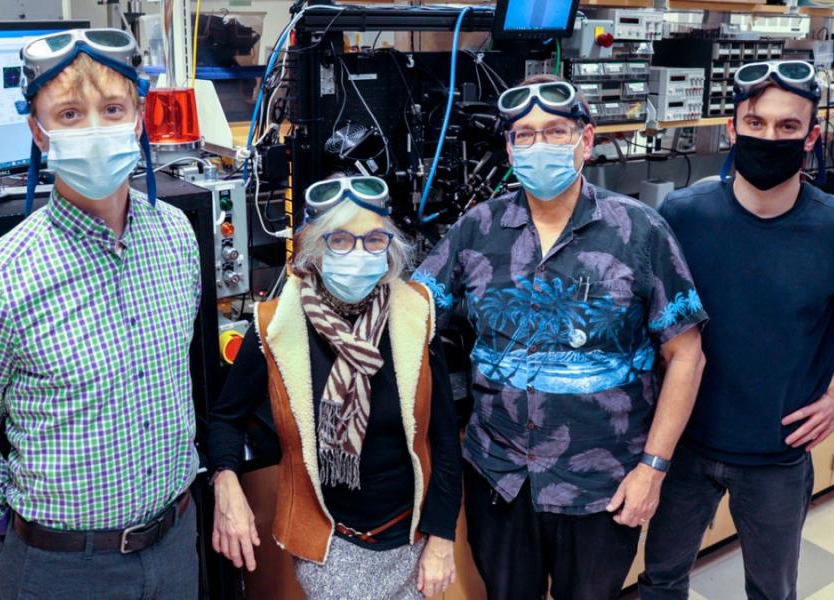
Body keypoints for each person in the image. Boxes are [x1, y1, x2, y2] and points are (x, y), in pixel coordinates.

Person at [411, 74, 708, 600]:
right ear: (508, 147)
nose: (538, 145)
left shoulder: (639, 231)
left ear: (586, 141)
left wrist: (653, 470)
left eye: (554, 131)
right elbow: (413, 314)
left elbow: (686, 355)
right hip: (499, 477)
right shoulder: (477, 228)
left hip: (603, 482)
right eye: (524, 134)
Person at [0, 29, 201, 599]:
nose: (95, 131)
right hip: (63, 568)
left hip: (176, 541)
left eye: (111, 109)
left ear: (137, 119)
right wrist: (30, 528)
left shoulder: (177, 238)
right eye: (70, 114)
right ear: (39, 131)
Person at [207, 174, 462, 599]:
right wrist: (226, 479)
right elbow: (224, 418)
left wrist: (442, 536)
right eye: (340, 240)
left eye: (373, 240)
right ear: (314, 249)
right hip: (329, 546)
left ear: (390, 248)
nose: (359, 253)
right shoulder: (276, 325)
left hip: (413, 543)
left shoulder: (416, 315)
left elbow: (443, 442)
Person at [640, 60, 834, 600]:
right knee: (661, 578)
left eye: (788, 127)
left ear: (812, 135)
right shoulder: (682, 214)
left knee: (773, 590)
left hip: (777, 454)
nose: (769, 136)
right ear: (732, 129)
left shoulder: (830, 227)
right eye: (756, 123)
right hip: (687, 445)